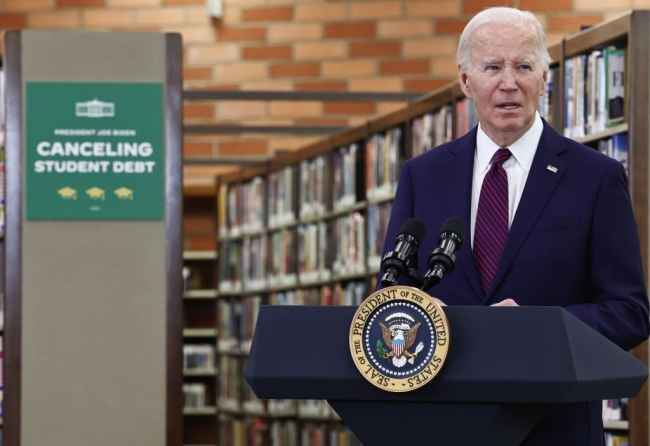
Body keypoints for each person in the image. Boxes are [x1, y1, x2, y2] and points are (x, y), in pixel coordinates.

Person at [376, 6, 650, 446]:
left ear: (545, 77)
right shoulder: (421, 175)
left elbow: (629, 313)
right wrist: (421, 318)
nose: (509, 82)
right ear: (466, 80)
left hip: (553, 429)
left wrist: (538, 326)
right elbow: (389, 296)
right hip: (441, 425)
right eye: (492, 67)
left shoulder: (595, 176)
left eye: (524, 66)